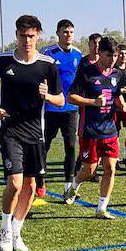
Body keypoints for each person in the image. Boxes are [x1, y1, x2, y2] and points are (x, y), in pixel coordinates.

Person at [0, 15, 64, 251]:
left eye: (31, 36)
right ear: (16, 35)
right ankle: (5, 228)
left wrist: (47, 96)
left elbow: (61, 100)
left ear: (38, 35)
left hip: (35, 133)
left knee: (30, 185)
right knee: (15, 183)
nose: (27, 40)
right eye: (22, 35)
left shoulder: (47, 64)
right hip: (10, 130)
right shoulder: (2, 60)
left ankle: (17, 230)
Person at [63, 37, 126, 218]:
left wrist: (122, 104)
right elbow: (71, 97)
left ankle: (101, 208)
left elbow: (117, 95)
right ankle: (74, 185)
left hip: (110, 130)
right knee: (89, 171)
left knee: (110, 168)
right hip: (90, 130)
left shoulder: (117, 75)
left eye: (115, 55)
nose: (113, 59)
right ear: (99, 53)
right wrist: (93, 102)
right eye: (109, 55)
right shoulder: (86, 72)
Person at [38, 19, 83, 198]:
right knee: (44, 146)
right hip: (49, 109)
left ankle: (67, 187)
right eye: (65, 32)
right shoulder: (48, 53)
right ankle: (40, 179)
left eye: (71, 32)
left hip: (70, 109)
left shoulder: (78, 55)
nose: (68, 35)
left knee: (71, 147)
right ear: (58, 33)